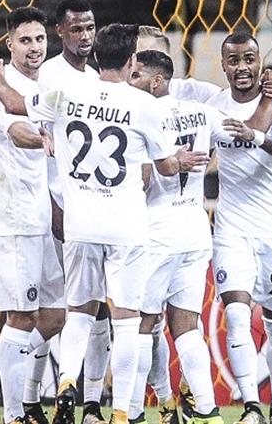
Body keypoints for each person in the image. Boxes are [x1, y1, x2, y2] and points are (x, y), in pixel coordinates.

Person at [18, 23, 207, 424]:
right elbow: (165, 166)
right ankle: (121, 411)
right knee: (126, 322)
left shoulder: (66, 93)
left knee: (79, 312)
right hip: (126, 227)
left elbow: (22, 105)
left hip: (80, 224)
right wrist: (179, 161)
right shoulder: (143, 105)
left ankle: (66, 382)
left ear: (96, 55)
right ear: (132, 60)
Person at [0, 0, 102, 424]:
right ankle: (14, 415)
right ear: (10, 44)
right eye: (25, 40)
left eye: (39, 39)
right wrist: (43, 139)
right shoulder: (0, 87)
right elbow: (18, 130)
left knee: (55, 315)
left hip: (39, 214)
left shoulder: (46, 87)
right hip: (13, 216)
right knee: (21, 316)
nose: (34, 47)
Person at [126, 49, 228, 424]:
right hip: (195, 229)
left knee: (141, 324)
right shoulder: (202, 112)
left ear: (157, 81)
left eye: (136, 75)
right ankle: (208, 411)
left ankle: (132, 413)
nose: (130, 81)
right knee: (186, 326)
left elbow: (143, 180)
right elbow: (240, 131)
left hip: (158, 231)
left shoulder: (143, 114)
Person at [204, 32, 272, 424]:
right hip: (231, 228)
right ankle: (251, 407)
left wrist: (256, 136)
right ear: (224, 65)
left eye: (249, 58)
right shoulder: (214, 105)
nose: (242, 67)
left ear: (259, 62)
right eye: (234, 60)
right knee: (236, 315)